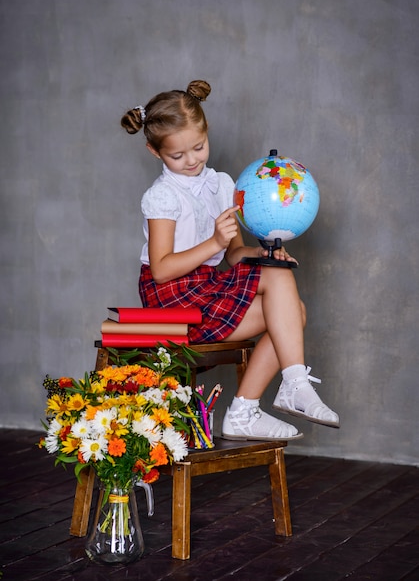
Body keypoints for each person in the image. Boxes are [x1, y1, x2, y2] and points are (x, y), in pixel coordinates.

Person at [121, 79, 339, 441]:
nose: (192, 160)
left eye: (199, 147)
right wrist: (213, 243)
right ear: (154, 152)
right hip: (175, 298)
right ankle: (279, 393)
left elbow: (234, 253)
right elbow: (160, 270)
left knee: (287, 296)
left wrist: (260, 251)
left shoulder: (222, 184)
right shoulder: (161, 196)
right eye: (178, 155)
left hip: (206, 285)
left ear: (207, 134)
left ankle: (253, 406)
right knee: (289, 309)